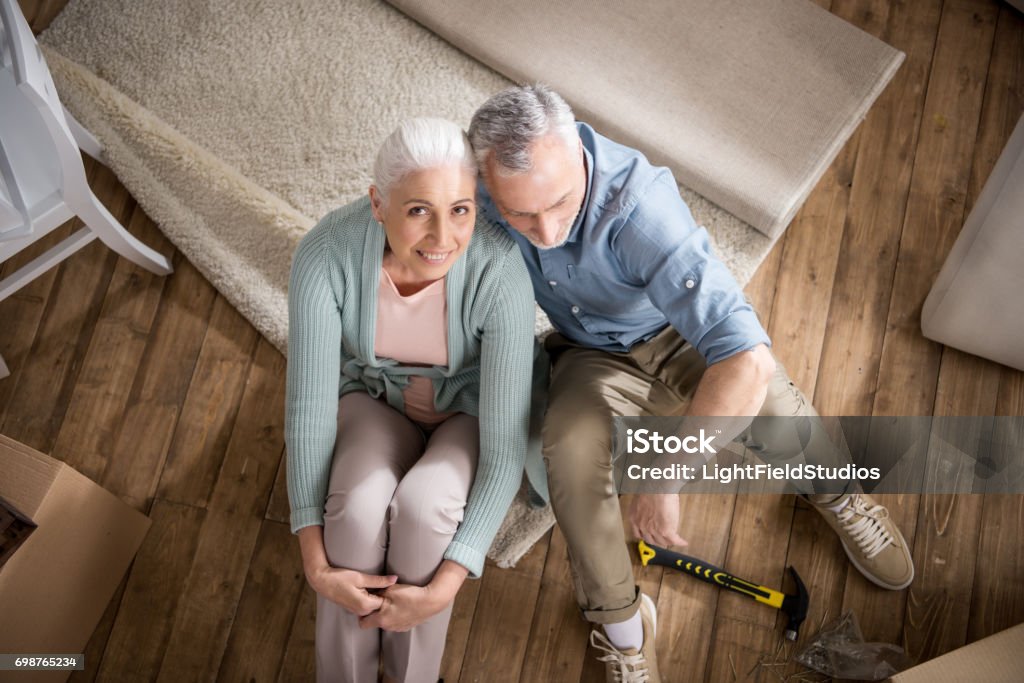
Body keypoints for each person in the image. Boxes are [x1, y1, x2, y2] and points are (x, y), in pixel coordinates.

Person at [469, 85, 915, 682]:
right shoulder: (468, 189)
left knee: (780, 416)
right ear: (484, 178)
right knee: (569, 458)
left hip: (679, 336)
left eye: (560, 204)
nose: (545, 231)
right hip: (588, 353)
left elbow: (745, 359)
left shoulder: (640, 207)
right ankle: (625, 629)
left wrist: (666, 471)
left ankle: (838, 496)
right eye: (521, 214)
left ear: (579, 153)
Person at [285, 118, 535, 683]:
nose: (443, 237)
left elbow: (503, 448)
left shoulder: (499, 270)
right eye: (419, 210)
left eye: (461, 210)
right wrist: (316, 565)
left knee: (424, 513)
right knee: (353, 512)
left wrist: (441, 590)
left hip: (467, 413)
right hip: (374, 401)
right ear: (378, 204)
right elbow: (309, 410)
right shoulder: (325, 255)